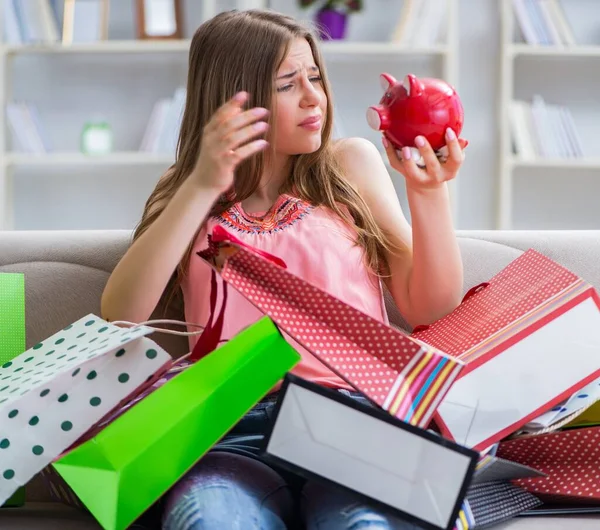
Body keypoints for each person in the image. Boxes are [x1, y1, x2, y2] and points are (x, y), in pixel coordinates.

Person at [101, 8, 467, 530]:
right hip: (228, 433)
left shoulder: (349, 166)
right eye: (288, 84)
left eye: (315, 76)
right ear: (235, 99)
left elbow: (430, 306)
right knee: (209, 522)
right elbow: (122, 315)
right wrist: (203, 183)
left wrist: (429, 193)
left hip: (353, 424)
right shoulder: (186, 188)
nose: (315, 97)